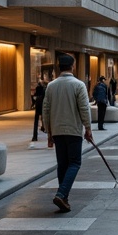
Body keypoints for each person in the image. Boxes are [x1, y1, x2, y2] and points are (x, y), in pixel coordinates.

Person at [42, 53, 93, 212]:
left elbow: (46, 109)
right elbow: (84, 108)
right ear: (73, 66)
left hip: (57, 130)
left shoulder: (51, 86)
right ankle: (62, 193)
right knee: (75, 162)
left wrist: (49, 131)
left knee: (62, 164)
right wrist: (88, 128)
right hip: (73, 130)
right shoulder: (79, 85)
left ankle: (64, 198)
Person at [30, 75, 48, 146]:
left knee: (36, 121)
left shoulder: (38, 88)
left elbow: (35, 95)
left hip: (38, 104)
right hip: (43, 105)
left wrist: (34, 103)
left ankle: (35, 136)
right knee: (45, 118)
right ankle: (46, 130)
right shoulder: (45, 89)